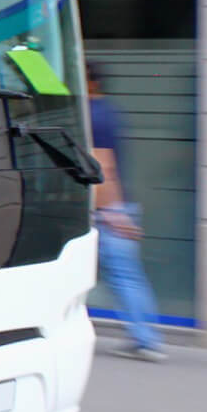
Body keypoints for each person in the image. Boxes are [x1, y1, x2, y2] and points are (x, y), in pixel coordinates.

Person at [88, 61, 165, 361]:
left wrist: (112, 213)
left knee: (123, 275)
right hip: (118, 205)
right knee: (129, 276)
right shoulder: (110, 111)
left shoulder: (94, 116)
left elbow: (104, 165)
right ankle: (146, 337)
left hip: (107, 208)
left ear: (90, 82)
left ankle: (146, 340)